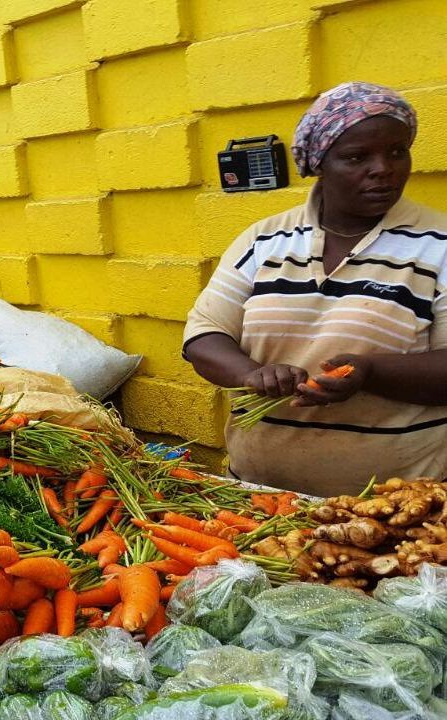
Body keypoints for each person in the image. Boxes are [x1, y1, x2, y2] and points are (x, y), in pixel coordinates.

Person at [184, 81, 447, 497]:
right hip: (258, 497)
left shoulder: (440, 244)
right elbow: (204, 335)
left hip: (396, 508)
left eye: (397, 151)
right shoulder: (264, 239)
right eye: (357, 157)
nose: (384, 168)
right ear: (319, 163)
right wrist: (252, 374)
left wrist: (371, 373)